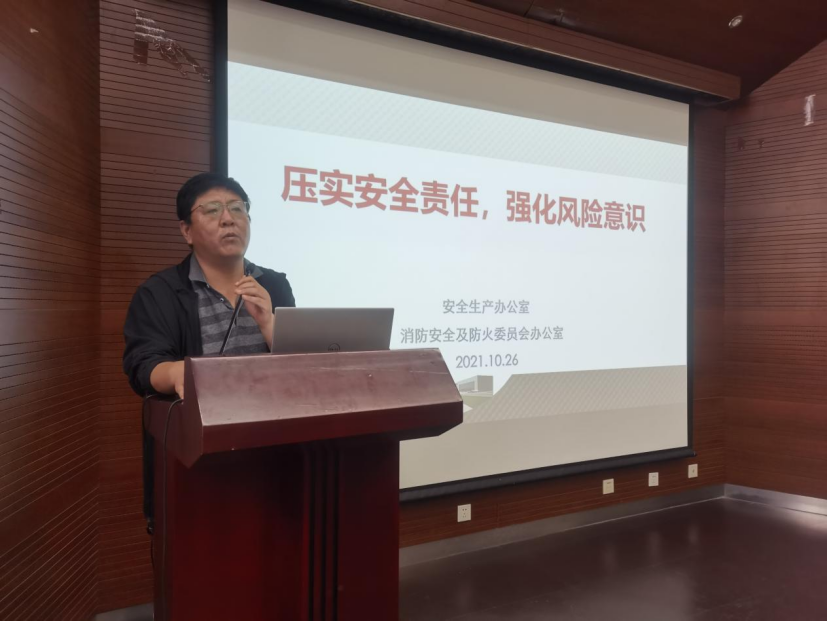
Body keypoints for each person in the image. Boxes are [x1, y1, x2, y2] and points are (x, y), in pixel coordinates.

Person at [123, 172, 295, 399]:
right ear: (186, 231)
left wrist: (269, 325)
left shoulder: (274, 285)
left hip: (273, 416)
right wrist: (177, 373)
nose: (228, 219)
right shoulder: (159, 293)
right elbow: (143, 365)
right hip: (200, 419)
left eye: (237, 208)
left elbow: (301, 368)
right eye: (212, 210)